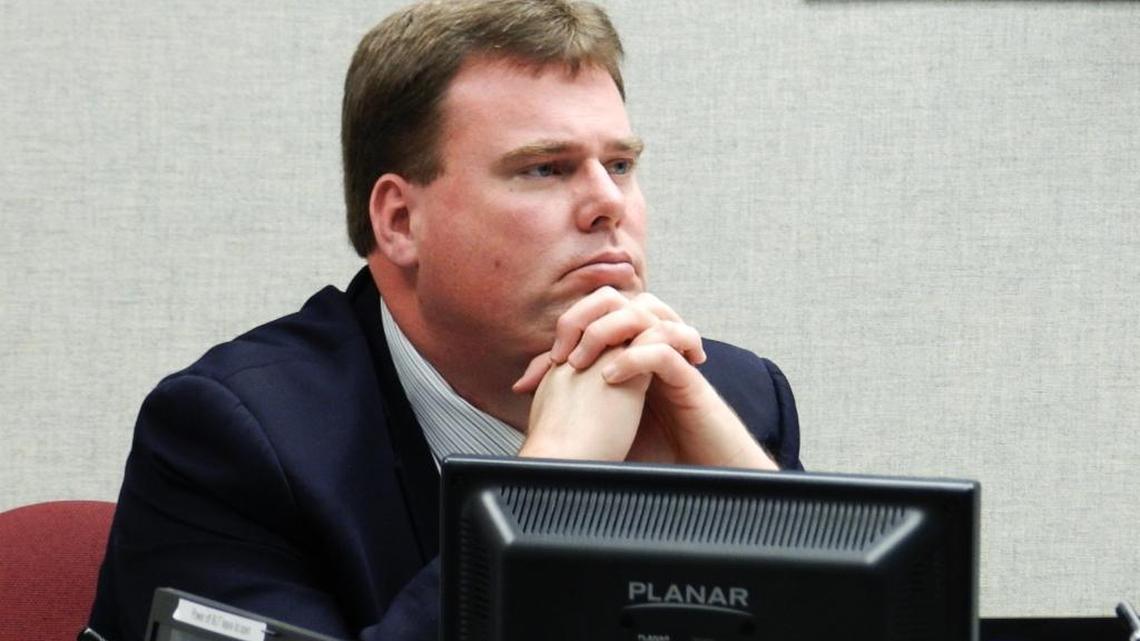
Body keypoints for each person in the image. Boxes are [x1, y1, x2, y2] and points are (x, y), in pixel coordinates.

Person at [86, 1, 802, 639]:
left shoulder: (735, 397)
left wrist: (763, 515)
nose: (605, 204)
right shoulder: (239, 438)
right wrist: (540, 496)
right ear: (400, 220)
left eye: (619, 164)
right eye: (545, 168)